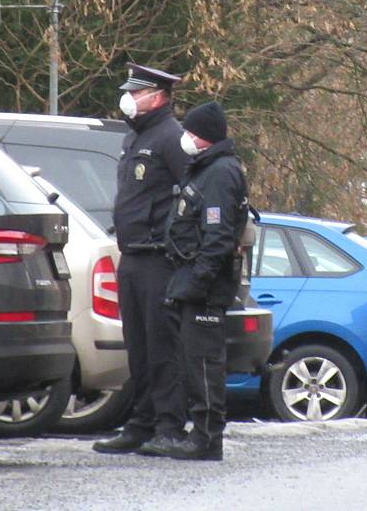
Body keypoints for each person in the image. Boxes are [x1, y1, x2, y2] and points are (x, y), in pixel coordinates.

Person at [93, 63, 190, 455]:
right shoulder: (137, 138)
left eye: (136, 94)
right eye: (130, 93)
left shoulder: (171, 138)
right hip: (132, 255)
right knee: (138, 345)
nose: (129, 100)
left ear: (158, 96)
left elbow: (192, 195)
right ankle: (141, 422)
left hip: (159, 258)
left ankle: (170, 426)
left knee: (162, 346)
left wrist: (175, 242)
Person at [162, 101, 248, 461]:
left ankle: (207, 438)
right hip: (190, 278)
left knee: (204, 363)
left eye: (190, 133)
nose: (184, 138)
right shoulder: (207, 169)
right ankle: (200, 433)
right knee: (192, 360)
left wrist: (199, 281)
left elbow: (218, 236)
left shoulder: (219, 173)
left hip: (205, 283)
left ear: (204, 137)